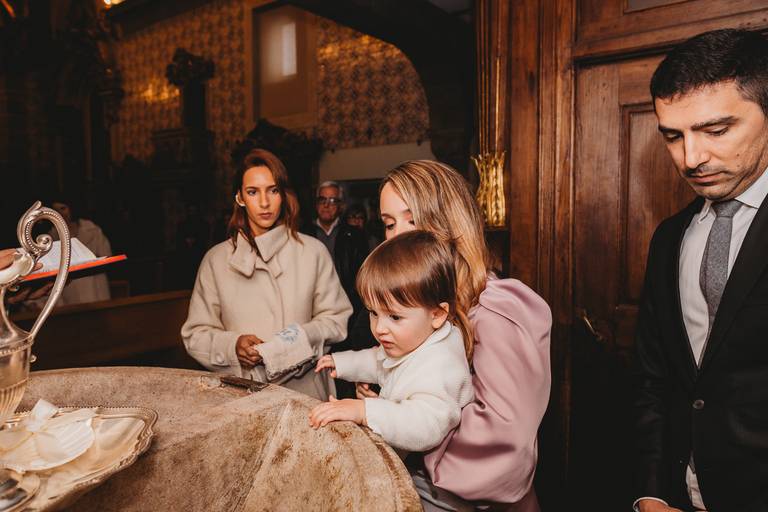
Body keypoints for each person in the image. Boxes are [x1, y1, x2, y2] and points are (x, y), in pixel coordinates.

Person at [355, 160, 551, 511]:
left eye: (412, 219)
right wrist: (389, 393)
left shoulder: (495, 307)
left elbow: (502, 439)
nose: (399, 234)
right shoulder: (418, 306)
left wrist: (407, 424)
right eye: (389, 223)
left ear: (449, 220)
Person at [634, 29, 768, 512]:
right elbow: (655, 378)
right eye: (673, 136)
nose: (691, 159)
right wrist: (651, 489)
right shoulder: (670, 237)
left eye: (716, 130)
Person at [181, 149, 352, 401]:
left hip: (305, 394)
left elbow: (336, 320)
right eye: (253, 192)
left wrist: (291, 344)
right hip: (241, 396)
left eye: (272, 190)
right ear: (239, 197)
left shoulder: (313, 252)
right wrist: (233, 346)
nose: (264, 202)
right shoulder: (216, 260)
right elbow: (195, 334)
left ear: (283, 195)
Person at [309, 230, 474, 454]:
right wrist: (342, 363)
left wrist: (363, 410)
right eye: (373, 313)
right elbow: (377, 359)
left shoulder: (441, 364)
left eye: (394, 317)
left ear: (437, 314)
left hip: (431, 480)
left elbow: (424, 426)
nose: (379, 328)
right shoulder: (412, 341)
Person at [49, 198, 112, 305]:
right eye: (56, 210)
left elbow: (107, 256)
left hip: (95, 286)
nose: (60, 214)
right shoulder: (52, 237)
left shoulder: (92, 230)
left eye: (63, 208)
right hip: (71, 291)